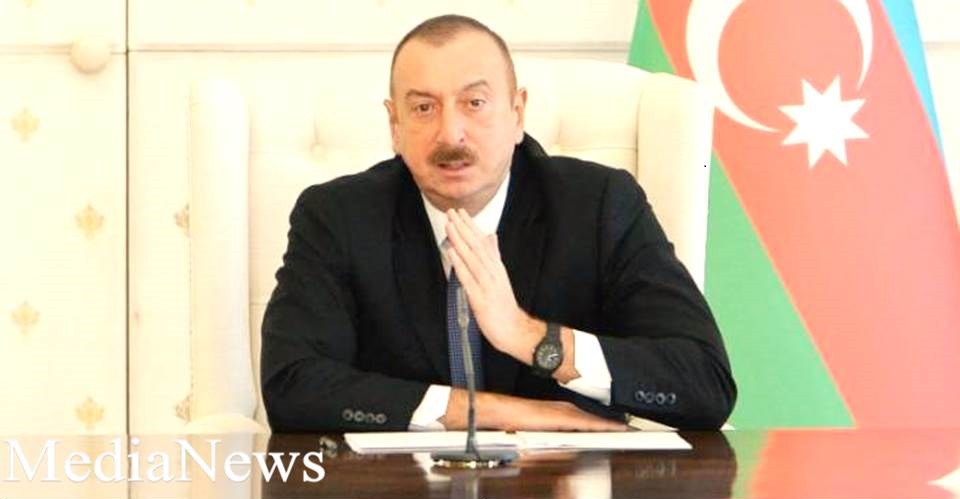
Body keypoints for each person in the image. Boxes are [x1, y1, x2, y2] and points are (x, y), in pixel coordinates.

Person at [261, 14, 736, 433]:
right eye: (424, 108)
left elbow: (704, 383)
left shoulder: (598, 206)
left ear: (517, 113)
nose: (451, 134)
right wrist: (491, 412)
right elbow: (291, 387)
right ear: (395, 125)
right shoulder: (338, 217)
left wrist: (531, 337)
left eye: (475, 103)